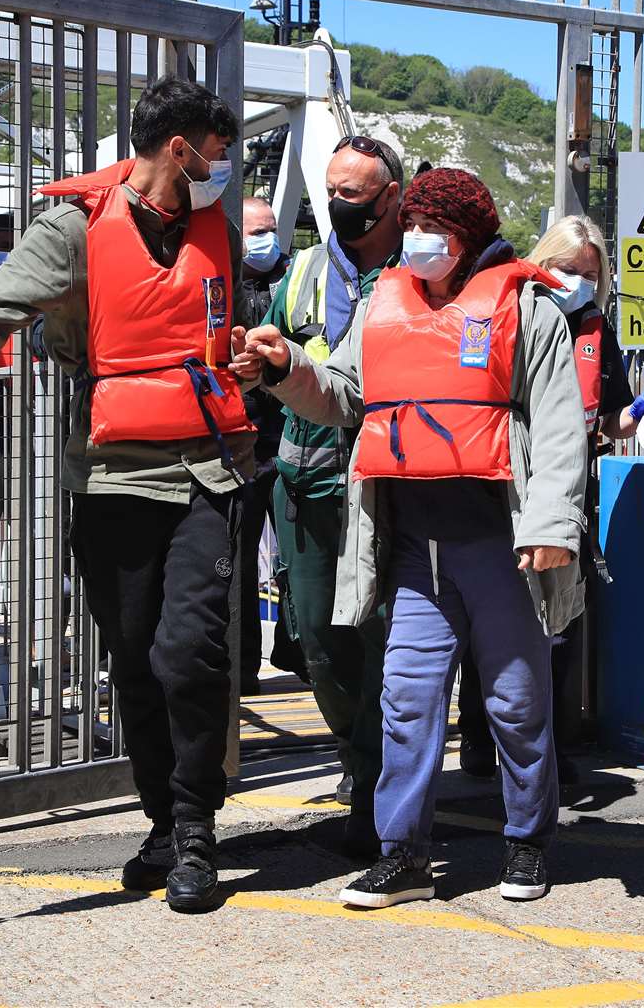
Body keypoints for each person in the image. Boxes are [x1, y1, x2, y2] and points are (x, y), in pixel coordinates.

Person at [0, 77, 250, 913]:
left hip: (208, 469)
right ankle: (161, 820)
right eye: (218, 155)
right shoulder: (74, 228)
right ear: (178, 149)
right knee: (137, 660)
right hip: (112, 476)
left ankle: (194, 831)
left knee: (192, 655)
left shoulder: (214, 229)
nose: (227, 171)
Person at [233, 168, 589, 907]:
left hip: (502, 544)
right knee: (405, 700)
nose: (422, 241)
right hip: (412, 548)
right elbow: (339, 393)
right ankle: (402, 853)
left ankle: (526, 840)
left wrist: (553, 527)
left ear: (472, 238)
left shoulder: (529, 310)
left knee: (517, 703)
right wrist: (283, 368)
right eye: (416, 226)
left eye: (440, 230)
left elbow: (558, 430)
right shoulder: (382, 304)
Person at [456, 215, 644, 784]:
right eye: (568, 270)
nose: (579, 282)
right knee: (491, 618)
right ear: (544, 263)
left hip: (571, 490)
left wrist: (633, 415)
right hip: (509, 488)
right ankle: (478, 737)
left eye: (591, 274)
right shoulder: (507, 316)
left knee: (560, 621)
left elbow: (608, 416)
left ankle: (551, 743)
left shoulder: (597, 330)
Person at [259, 135, 404, 850]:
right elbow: (275, 360)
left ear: (390, 197)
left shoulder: (419, 274)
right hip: (308, 477)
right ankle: (355, 755)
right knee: (318, 636)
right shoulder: (304, 272)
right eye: (330, 189)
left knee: (387, 637)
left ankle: (379, 788)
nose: (337, 204)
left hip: (389, 478)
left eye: (353, 193)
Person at [236, 197, 289, 696]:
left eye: (270, 229)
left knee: (295, 552)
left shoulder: (294, 280)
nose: (265, 239)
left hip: (293, 437)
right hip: (245, 440)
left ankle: (297, 651)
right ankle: (245, 665)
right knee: (241, 552)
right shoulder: (223, 281)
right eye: (256, 231)